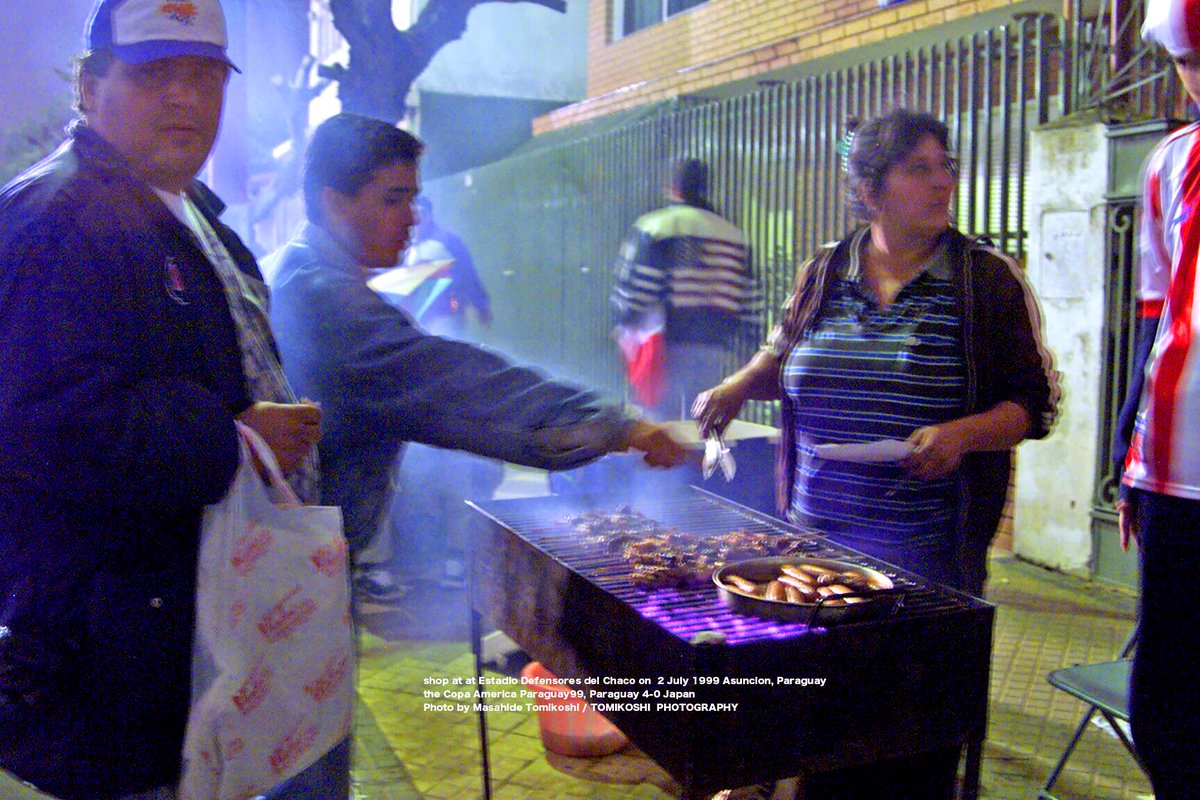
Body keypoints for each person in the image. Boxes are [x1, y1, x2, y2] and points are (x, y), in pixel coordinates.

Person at [264, 112, 688, 786]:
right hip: (288, 580)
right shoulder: (323, 300)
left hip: (300, 567)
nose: (411, 219)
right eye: (392, 199)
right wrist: (618, 425)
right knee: (310, 772)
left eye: (414, 199)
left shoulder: (306, 274)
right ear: (331, 201)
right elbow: (453, 384)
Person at [0, 1, 325, 798]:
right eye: (154, 75)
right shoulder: (55, 221)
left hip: (192, 637)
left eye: (206, 76)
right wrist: (233, 438)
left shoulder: (194, 216)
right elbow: (46, 427)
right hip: (103, 668)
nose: (186, 98)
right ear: (88, 87)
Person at [693, 109, 1058, 799]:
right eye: (920, 168)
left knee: (900, 755)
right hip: (813, 548)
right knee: (816, 736)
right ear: (868, 189)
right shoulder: (825, 272)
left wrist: (961, 435)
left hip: (924, 562)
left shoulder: (984, 281)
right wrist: (740, 384)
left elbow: (1033, 405)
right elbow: (784, 357)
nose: (944, 182)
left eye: (946, 165)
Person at [1116, 3, 1200, 796]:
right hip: (1175, 474)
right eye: (1190, 65)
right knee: (1163, 706)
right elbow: (1156, 314)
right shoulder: (1169, 163)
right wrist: (1127, 453)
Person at [611, 158, 759, 420]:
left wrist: (623, 322)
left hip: (663, 351)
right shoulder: (734, 235)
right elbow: (751, 300)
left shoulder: (654, 226)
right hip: (715, 349)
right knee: (701, 424)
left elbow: (633, 290)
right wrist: (749, 349)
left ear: (673, 188)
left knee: (659, 431)